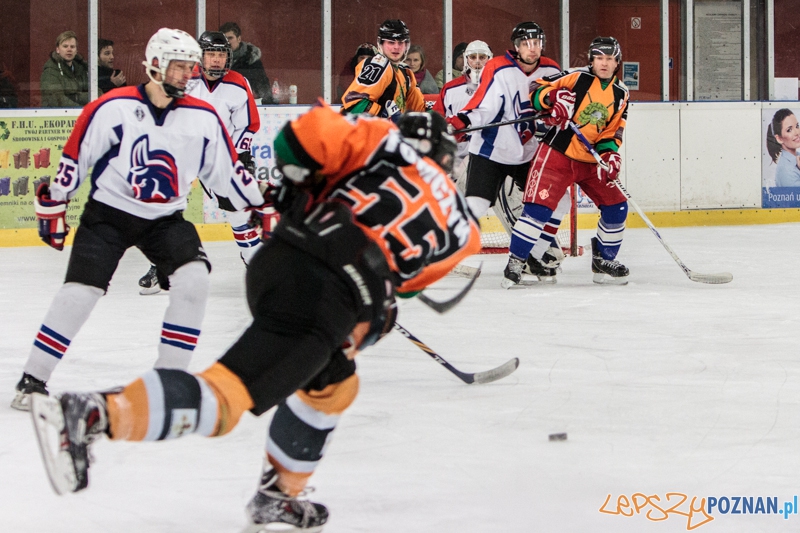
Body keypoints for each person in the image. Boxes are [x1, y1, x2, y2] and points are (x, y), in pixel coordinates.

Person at [28, 104, 481, 532]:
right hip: (325, 295)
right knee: (226, 399)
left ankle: (280, 493)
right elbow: (396, 290)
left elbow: (300, 139)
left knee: (335, 383)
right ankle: (96, 413)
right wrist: (369, 310)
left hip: (278, 260)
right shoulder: (464, 230)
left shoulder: (382, 137)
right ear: (446, 157)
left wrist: (296, 185)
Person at [10, 28, 267, 411]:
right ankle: (34, 379)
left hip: (164, 219)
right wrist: (56, 202)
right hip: (108, 217)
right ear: (154, 66)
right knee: (81, 292)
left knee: (194, 278)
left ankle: (169, 381)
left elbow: (228, 173)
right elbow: (76, 157)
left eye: (189, 67)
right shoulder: (113, 107)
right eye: (178, 66)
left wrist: (264, 203)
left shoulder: (203, 117)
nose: (186, 74)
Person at [138, 31, 267, 294]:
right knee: (166, 207)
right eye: (211, 54)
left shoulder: (239, 83)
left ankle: (257, 265)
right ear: (201, 56)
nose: (217, 60)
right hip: (183, 153)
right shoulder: (185, 80)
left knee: (238, 212)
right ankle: (160, 267)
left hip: (222, 156)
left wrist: (238, 157)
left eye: (221, 54)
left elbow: (250, 125)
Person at [502, 36, 631, 288]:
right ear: (591, 60)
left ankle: (604, 260)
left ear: (617, 62)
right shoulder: (576, 77)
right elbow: (535, 88)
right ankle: (517, 261)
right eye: (599, 58)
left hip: (591, 160)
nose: (604, 63)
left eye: (610, 59)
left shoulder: (621, 93)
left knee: (617, 205)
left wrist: (610, 155)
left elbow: (612, 132)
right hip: (557, 153)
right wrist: (554, 99)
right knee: (538, 209)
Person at [445, 23, 567, 282]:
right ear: (516, 46)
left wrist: (559, 112)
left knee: (559, 200)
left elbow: (562, 103)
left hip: (528, 152)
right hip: (491, 150)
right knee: (476, 205)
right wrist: (459, 122)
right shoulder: (498, 67)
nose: (532, 49)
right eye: (525, 43)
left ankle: (535, 252)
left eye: (536, 43)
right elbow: (484, 106)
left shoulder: (552, 70)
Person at [433, 39, 492, 188]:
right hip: (458, 154)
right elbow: (437, 120)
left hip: (490, 153)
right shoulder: (450, 89)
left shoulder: (500, 87)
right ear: (466, 59)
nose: (477, 62)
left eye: (482, 57)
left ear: (489, 59)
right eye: (473, 57)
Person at [341, 19, 425, 121]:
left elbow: (419, 109)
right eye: (391, 42)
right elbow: (353, 104)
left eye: (401, 43)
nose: (396, 47)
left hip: (390, 134)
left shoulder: (406, 72)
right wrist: (383, 115)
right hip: (370, 134)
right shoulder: (379, 65)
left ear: (407, 45)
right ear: (380, 44)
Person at [219, 22, 274, 104]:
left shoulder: (251, 61)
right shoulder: (214, 60)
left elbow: (263, 87)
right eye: (224, 39)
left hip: (243, 105)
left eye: (230, 38)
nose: (227, 42)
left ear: (239, 39)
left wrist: (268, 107)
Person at [40, 30, 89, 108]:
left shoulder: (82, 68)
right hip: (56, 117)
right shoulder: (50, 71)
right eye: (65, 46)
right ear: (57, 49)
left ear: (76, 51)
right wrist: (82, 109)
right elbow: (57, 100)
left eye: (72, 47)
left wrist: (75, 97)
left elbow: (97, 93)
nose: (69, 49)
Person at [766, 108, 800, 187]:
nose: (797, 132)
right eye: (789, 130)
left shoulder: (797, 156)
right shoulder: (785, 171)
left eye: (797, 126)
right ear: (779, 139)